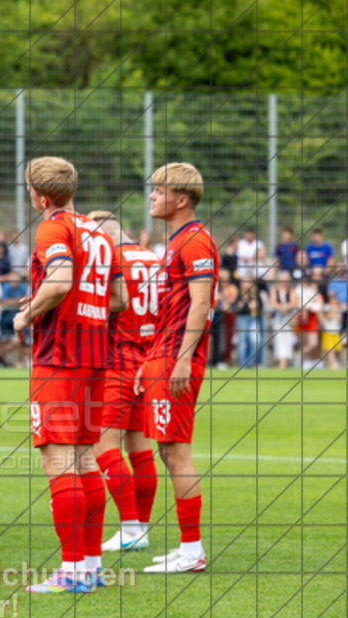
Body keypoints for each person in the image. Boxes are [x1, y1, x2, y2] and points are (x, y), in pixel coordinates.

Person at [11, 157, 125, 594]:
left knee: (59, 464)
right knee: (84, 461)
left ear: (40, 197)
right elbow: (117, 298)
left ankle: (71, 570)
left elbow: (58, 281)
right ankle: (90, 566)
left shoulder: (52, 227)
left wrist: (28, 315)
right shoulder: (98, 231)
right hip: (95, 356)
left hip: (59, 359)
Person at [135, 162, 218, 573]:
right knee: (168, 451)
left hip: (177, 358)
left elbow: (200, 304)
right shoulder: (179, 241)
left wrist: (182, 358)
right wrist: (150, 360)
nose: (151, 196)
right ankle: (188, 546)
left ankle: (192, 551)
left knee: (176, 451)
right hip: (163, 356)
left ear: (180, 199)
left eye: (158, 191)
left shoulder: (195, 242)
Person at [86, 210, 161, 554]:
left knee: (105, 446)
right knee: (140, 448)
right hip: (150, 358)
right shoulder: (153, 258)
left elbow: (104, 306)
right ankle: (139, 528)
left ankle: (131, 527)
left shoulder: (110, 260)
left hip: (118, 357)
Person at [268, 270, 300, 369]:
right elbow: (272, 302)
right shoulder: (274, 290)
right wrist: (281, 307)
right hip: (278, 318)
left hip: (288, 318)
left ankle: (286, 360)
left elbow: (294, 302)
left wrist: (286, 307)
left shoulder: (291, 290)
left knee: (288, 339)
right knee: (279, 339)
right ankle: (281, 361)